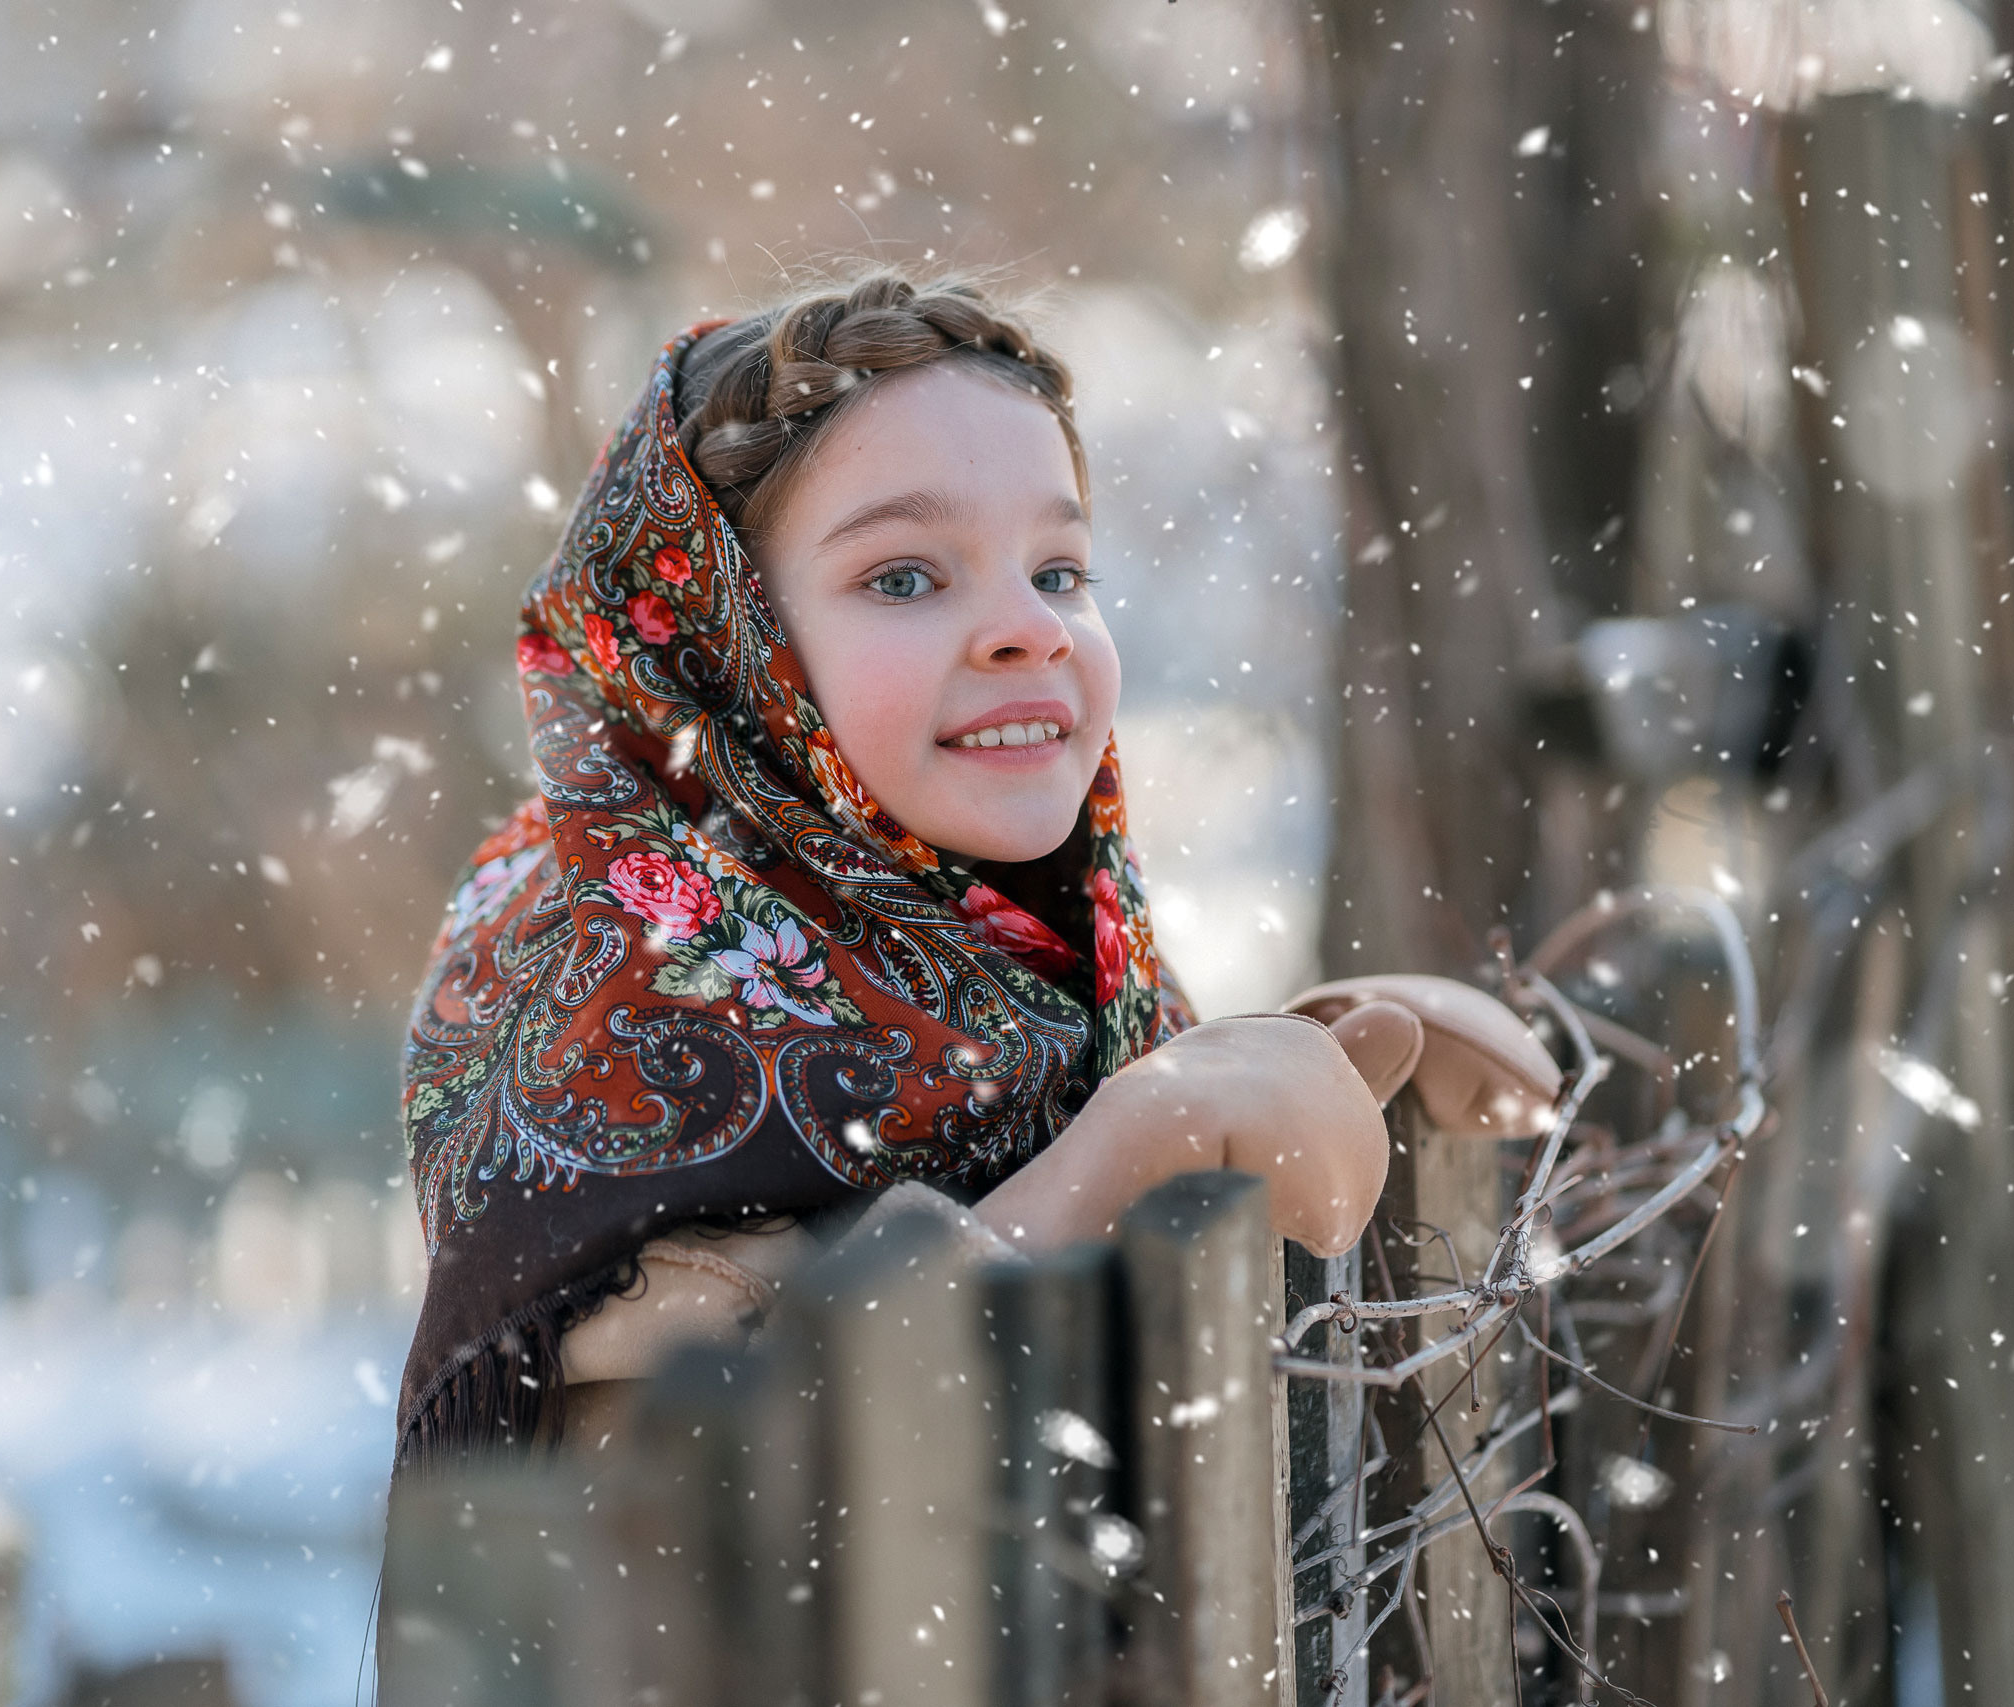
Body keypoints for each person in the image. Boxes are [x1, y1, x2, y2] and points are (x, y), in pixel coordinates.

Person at [391, 268, 1559, 1468]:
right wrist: (1113, 1164)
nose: (1033, 627)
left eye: (1058, 571)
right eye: (903, 576)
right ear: (718, 654)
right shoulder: (616, 1032)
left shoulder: (1017, 968)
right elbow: (728, 1509)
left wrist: (1311, 1051)